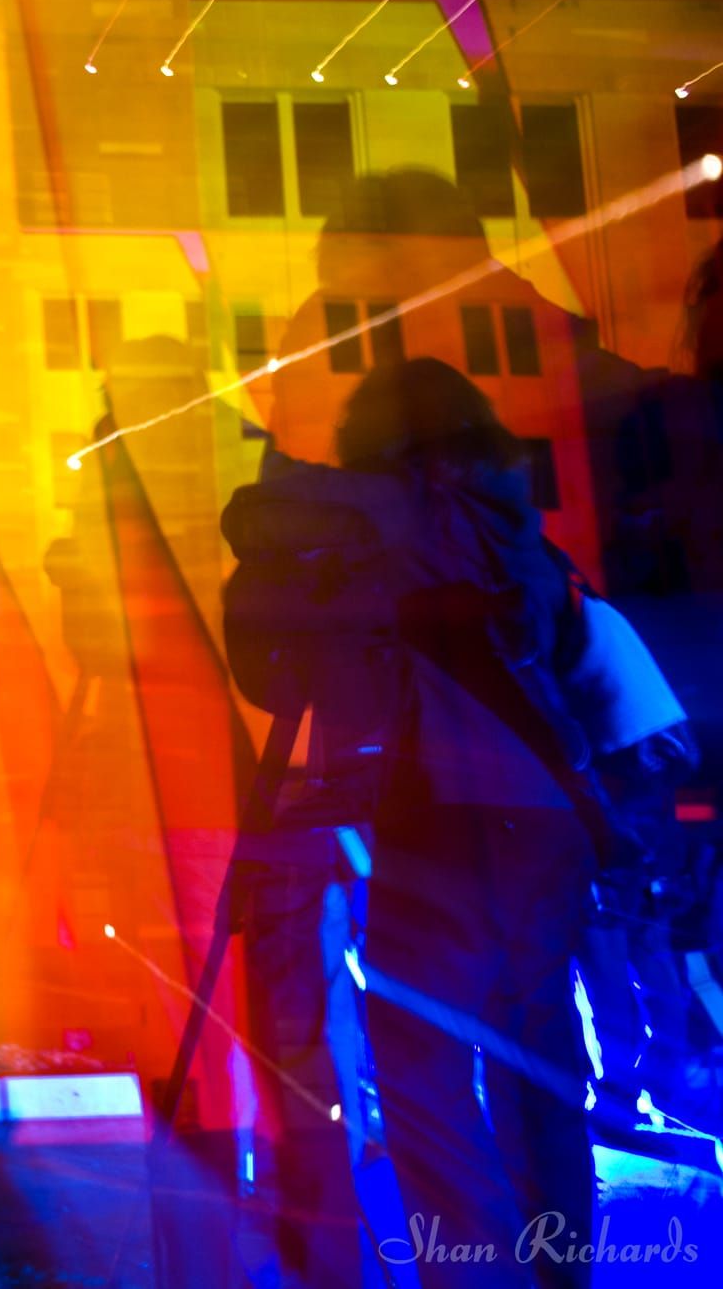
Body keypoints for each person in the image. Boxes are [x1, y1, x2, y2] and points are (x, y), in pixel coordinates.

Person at [223, 358, 602, 1288]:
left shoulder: (391, 516)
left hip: (447, 807)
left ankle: (478, 1276)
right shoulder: (520, 534)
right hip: (547, 817)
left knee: (421, 1070)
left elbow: (258, 529)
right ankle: (559, 1274)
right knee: (538, 1064)